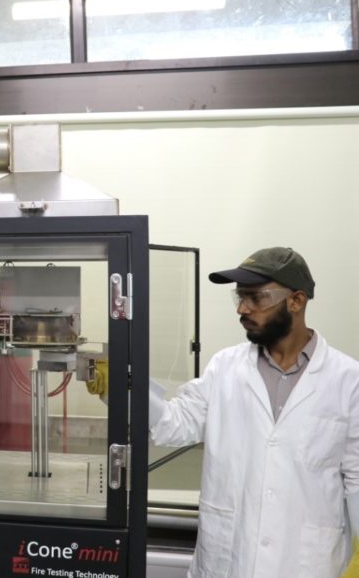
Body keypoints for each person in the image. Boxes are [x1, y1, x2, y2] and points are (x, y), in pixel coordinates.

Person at [149, 246, 359, 577]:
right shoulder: (225, 367)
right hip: (228, 561)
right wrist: (123, 382)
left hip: (306, 564)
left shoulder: (348, 381)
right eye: (240, 298)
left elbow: (357, 479)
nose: (243, 309)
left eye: (255, 298)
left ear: (296, 301)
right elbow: (171, 426)